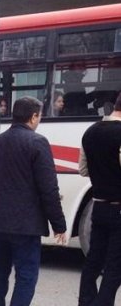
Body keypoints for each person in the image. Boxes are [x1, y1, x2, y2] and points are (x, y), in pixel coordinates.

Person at [0, 96, 67, 306]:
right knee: (26, 276)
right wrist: (59, 225)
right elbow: (49, 189)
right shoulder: (37, 142)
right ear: (33, 116)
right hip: (25, 226)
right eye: (39, 116)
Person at [78, 92, 121, 306]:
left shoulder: (90, 131)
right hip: (118, 209)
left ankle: (85, 301)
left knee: (94, 260)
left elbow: (83, 170)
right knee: (114, 266)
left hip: (99, 206)